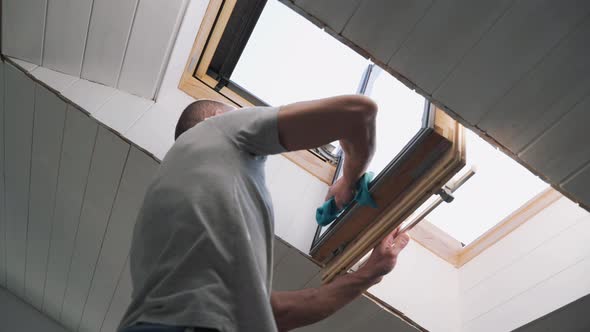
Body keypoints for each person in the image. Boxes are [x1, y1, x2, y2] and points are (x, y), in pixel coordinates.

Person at [118, 96, 411, 332]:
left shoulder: (159, 241)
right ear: (214, 118)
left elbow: (276, 315)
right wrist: (348, 181)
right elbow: (357, 113)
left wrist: (371, 273)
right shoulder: (217, 128)